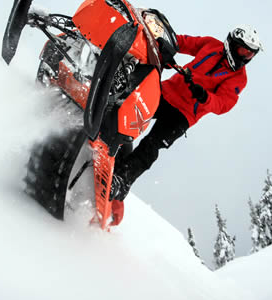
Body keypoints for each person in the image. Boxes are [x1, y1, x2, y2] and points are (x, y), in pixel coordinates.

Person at [109, 25, 264, 202]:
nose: (245, 56)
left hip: (184, 115)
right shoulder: (211, 45)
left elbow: (224, 103)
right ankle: (108, 145)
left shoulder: (239, 78)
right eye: (243, 50)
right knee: (127, 112)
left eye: (250, 54)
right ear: (232, 43)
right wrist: (163, 44)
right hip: (165, 93)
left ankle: (121, 181)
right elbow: (181, 42)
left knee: (152, 145)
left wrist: (205, 97)